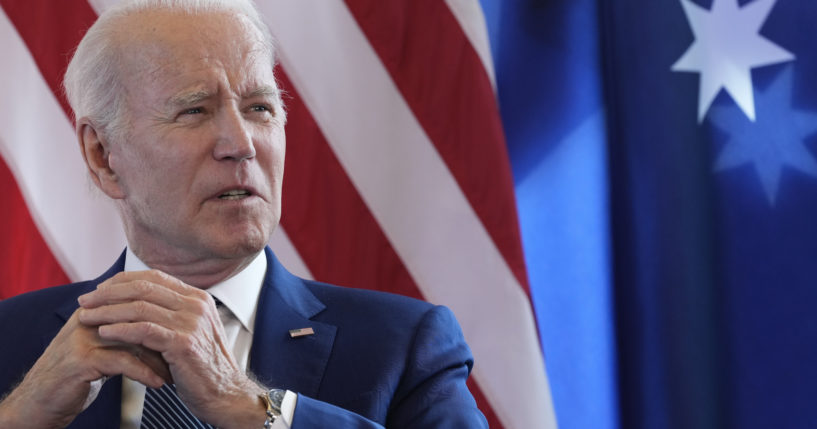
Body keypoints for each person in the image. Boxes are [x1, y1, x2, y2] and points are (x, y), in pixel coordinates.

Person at [0, 1, 488, 428]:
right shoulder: (12, 341)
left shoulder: (405, 347)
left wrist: (254, 409)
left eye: (259, 108)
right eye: (194, 110)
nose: (241, 144)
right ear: (103, 155)